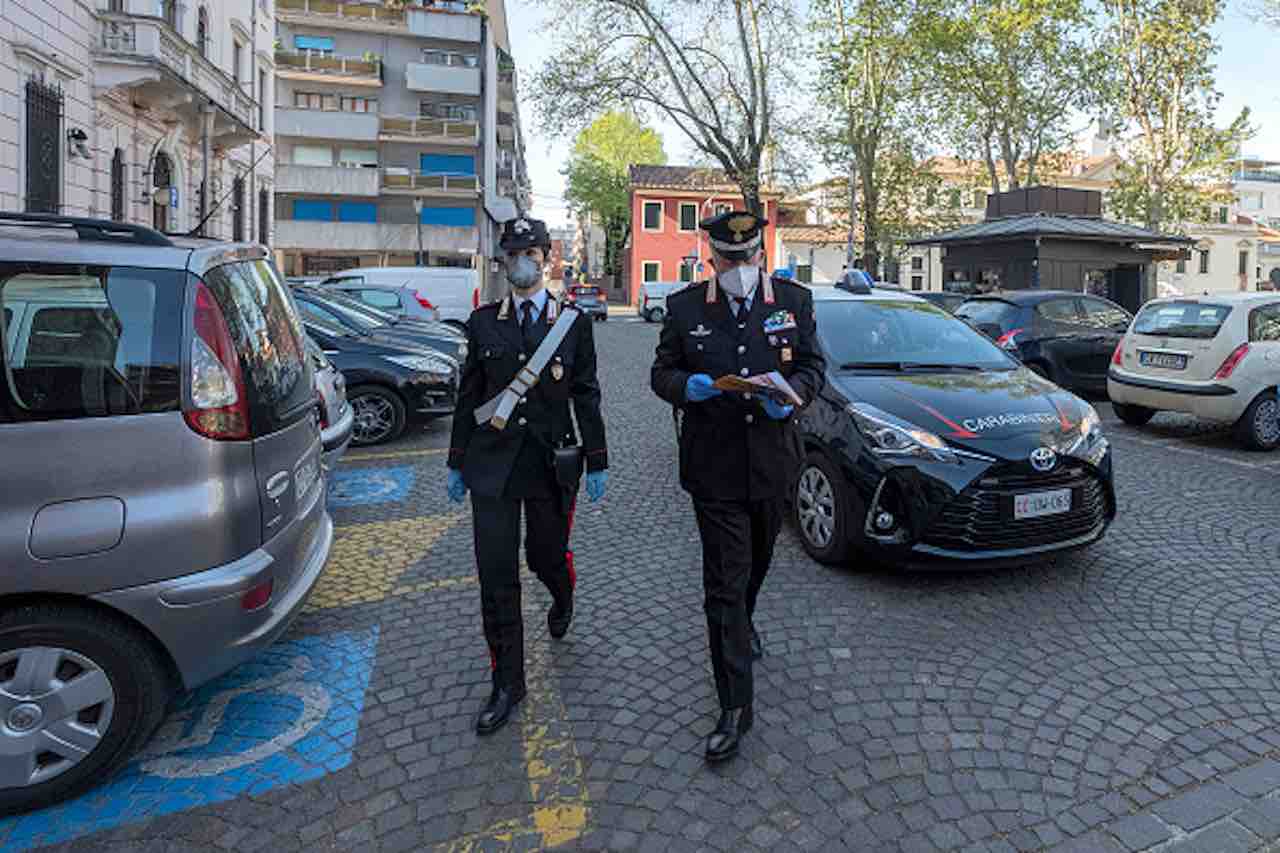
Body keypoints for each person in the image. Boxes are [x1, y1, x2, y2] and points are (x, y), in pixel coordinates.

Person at [651, 210, 826, 762]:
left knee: (755, 565)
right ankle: (734, 704)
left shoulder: (793, 303)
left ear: (760, 255)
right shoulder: (684, 308)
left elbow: (815, 369)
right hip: (715, 467)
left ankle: (743, 621)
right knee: (724, 584)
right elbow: (661, 373)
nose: (738, 268)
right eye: (727, 260)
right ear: (712, 259)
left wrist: (793, 392)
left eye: (746, 258)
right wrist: (688, 387)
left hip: (773, 463)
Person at [446, 215, 609, 736]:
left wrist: (598, 459)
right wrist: (455, 461)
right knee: (497, 577)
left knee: (544, 558)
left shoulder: (572, 323)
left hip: (549, 465)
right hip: (491, 467)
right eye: (513, 254)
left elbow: (586, 393)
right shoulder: (483, 322)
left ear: (547, 259)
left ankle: (563, 592)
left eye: (531, 253)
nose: (522, 262)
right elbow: (469, 396)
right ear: (503, 262)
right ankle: (507, 681)